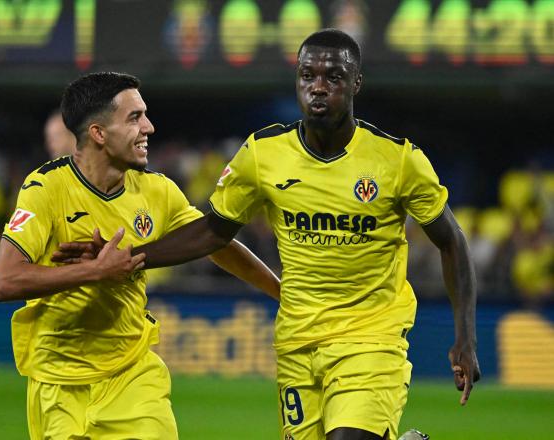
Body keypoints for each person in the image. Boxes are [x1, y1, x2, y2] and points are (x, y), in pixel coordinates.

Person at [55, 29, 481, 440]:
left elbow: (452, 240)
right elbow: (213, 232)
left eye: (333, 77)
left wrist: (465, 337)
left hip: (370, 336)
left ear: (356, 84)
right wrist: (128, 256)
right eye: (307, 75)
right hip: (298, 340)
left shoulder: (398, 160)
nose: (318, 87)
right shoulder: (263, 155)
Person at [0, 72, 280, 440]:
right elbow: (5, 282)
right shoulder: (45, 189)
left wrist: (279, 291)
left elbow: (214, 240)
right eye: (134, 118)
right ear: (98, 133)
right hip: (58, 387)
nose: (149, 127)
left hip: (131, 375)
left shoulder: (157, 191)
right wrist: (96, 271)